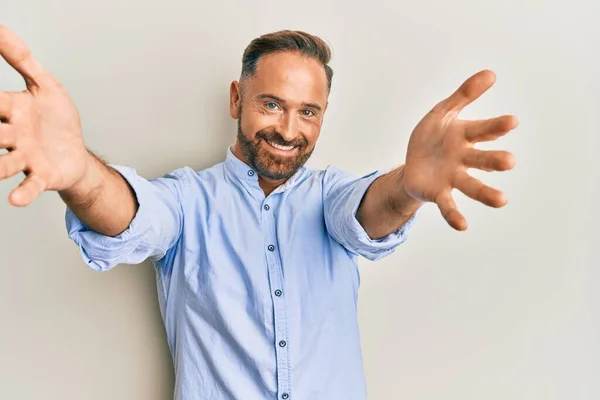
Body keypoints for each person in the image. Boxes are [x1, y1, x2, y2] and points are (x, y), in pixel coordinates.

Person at [0, 26, 518, 400]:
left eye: (308, 112)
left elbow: (366, 214)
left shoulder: (331, 196)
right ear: (236, 99)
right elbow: (133, 215)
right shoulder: (188, 201)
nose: (289, 130)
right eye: (271, 104)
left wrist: (408, 185)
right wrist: (80, 173)